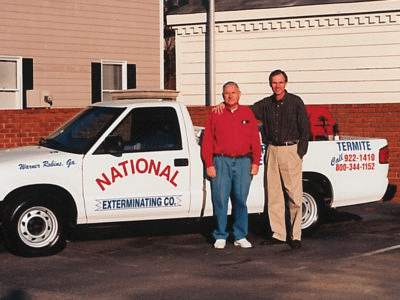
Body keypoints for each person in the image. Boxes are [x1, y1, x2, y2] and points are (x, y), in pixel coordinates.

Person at [214, 70, 309, 249]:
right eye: (274, 82)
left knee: (294, 196)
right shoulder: (266, 104)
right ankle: (279, 234)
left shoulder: (295, 102)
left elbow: (305, 128)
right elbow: (244, 110)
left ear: (286, 84)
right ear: (270, 84)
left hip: (291, 150)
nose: (277, 86)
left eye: (280, 82)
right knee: (273, 195)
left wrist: (299, 152)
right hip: (272, 150)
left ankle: (295, 236)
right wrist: (224, 102)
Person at [201, 81, 261, 249]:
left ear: (239, 94)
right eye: (227, 93)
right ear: (223, 95)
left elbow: (255, 139)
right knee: (220, 199)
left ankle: (240, 235)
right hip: (221, 161)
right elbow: (207, 141)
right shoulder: (216, 114)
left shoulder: (247, 113)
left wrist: (256, 161)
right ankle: (220, 235)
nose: (230, 96)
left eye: (233, 92)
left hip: (243, 162)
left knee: (241, 199)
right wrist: (209, 164)